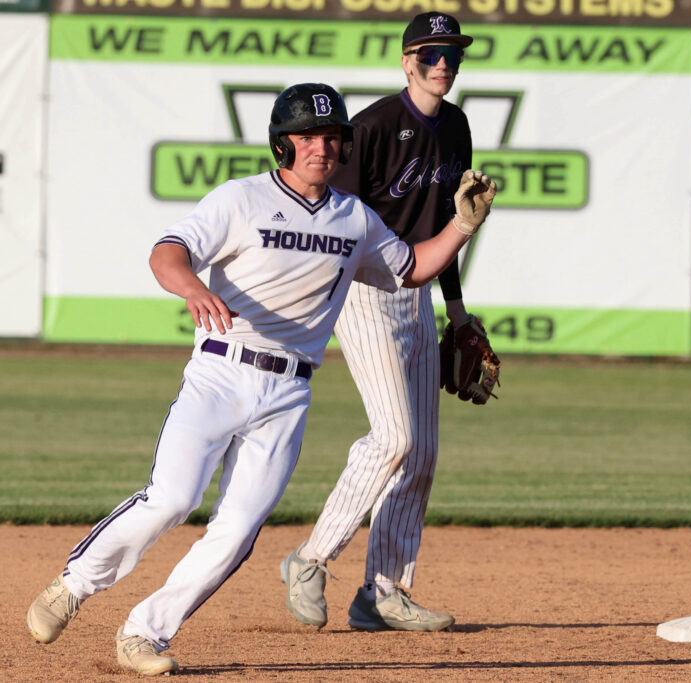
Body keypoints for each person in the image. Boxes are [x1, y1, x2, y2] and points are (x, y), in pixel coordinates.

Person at [25, 82, 496, 675]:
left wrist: (461, 225)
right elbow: (167, 253)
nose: (321, 147)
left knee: (239, 530)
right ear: (282, 145)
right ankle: (72, 586)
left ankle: (145, 633)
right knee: (173, 498)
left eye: (332, 137)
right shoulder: (240, 200)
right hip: (220, 374)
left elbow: (412, 270)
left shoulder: (355, 219)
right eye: (307, 136)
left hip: (289, 393)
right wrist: (195, 287)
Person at [279, 11, 490, 633]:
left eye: (452, 54)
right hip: (367, 291)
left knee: (421, 453)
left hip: (420, 293)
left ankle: (383, 592)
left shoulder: (455, 127)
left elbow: (447, 225)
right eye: (430, 55)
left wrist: (455, 308)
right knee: (394, 438)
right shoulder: (371, 126)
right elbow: (330, 216)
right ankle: (311, 559)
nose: (443, 65)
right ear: (407, 63)